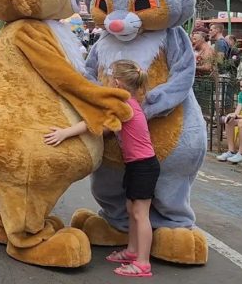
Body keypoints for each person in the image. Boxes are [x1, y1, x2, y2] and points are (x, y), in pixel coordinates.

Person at [43, 60, 157, 278]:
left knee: (140, 214)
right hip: (137, 166)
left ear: (117, 83)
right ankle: (133, 251)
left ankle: (143, 263)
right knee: (132, 210)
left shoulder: (123, 105)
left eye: (111, 77)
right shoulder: (129, 104)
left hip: (144, 166)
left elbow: (94, 121)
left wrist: (65, 133)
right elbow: (106, 128)